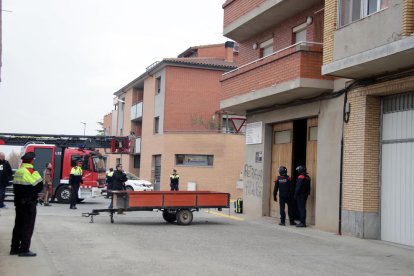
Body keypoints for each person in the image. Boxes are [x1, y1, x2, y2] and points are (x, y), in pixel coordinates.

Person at [10, 152, 43, 257]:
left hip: (19, 203)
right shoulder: (32, 171)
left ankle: (14, 248)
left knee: (18, 225)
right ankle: (24, 249)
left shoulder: (19, 171)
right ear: (32, 160)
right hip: (29, 204)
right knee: (27, 226)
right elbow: (39, 186)